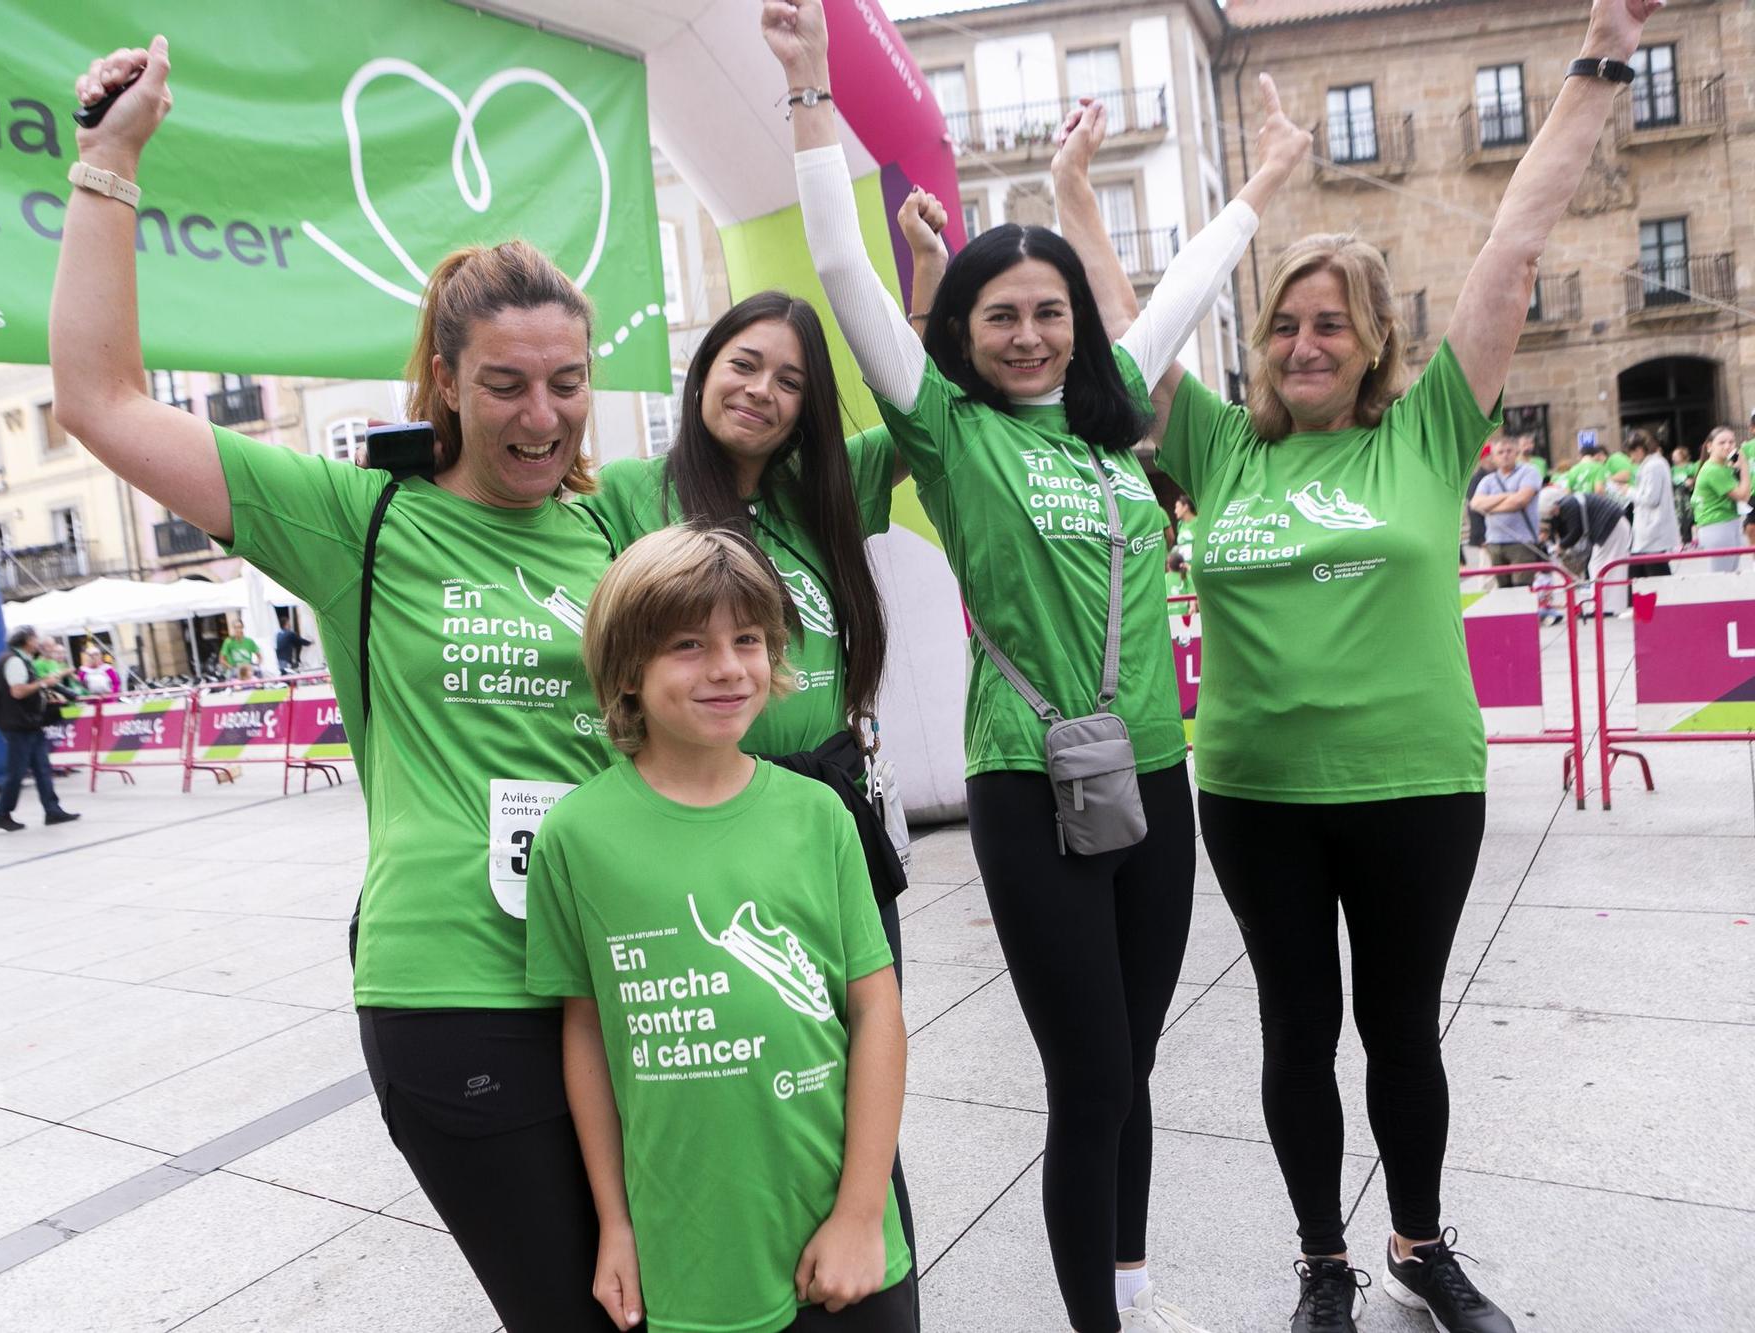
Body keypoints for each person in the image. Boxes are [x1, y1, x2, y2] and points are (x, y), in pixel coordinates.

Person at [54, 39, 619, 1330]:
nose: (543, 415)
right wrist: (110, 161)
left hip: (623, 972)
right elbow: (97, 399)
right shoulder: (354, 523)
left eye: (568, 382)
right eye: (505, 386)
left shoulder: (613, 532)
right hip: (456, 984)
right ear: (446, 388)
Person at [767, 4, 1311, 1328]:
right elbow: (840, 268)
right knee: (1090, 1073)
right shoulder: (949, 428)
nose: (1028, 335)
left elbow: (1182, 288)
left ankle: (1122, 1288)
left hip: (1157, 777)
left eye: (1048, 313)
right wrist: (808, 93)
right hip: (1029, 782)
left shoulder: (1107, 417)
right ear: (963, 329)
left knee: (1137, 1073)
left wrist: (1263, 185)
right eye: (1000, 315)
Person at [1144, 5, 1661, 1326]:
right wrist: (1088, 199)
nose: (1305, 344)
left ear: (1377, 342)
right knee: (1292, 1032)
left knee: (1401, 1027)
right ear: (1258, 345)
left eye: (1331, 324)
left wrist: (1601, 54)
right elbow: (1126, 331)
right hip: (1255, 792)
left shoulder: (1429, 429)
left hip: (1415, 782)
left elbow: (1516, 238)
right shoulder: (1217, 447)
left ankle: (1421, 1246)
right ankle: (1324, 1256)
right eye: (1283, 326)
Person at [583, 285, 924, 1281]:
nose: (762, 391)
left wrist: (924, 276)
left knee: (862, 1046)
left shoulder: (823, 490)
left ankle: (867, 1250)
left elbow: (921, 407)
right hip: (694, 815)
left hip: (826, 813)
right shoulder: (625, 494)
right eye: (742, 363)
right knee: (744, 1066)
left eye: (789, 380)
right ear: (701, 369)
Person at [527, 525, 913, 1333]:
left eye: (749, 639)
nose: (729, 667)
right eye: (688, 645)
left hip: (839, 1230)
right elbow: (588, 1033)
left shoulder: (820, 815)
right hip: (692, 1253)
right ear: (628, 667)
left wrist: (860, 1211)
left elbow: (876, 1011)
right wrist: (617, 1224)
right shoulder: (576, 836)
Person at [0, 625, 80, 831]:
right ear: (27, 641)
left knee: (42, 768)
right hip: (18, 724)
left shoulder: (20, 660)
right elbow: (18, 692)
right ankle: (1, 814)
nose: (39, 643)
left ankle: (52, 810)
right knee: (16, 772)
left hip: (28, 723)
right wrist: (43, 684)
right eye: (35, 638)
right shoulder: (14, 661)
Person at [1471, 435, 1544, 584]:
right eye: (1500, 452)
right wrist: (1507, 495)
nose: (1505, 455)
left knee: (1522, 589)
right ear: (1493, 457)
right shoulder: (1488, 480)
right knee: (1504, 592)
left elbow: (1520, 501)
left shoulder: (1529, 472)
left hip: (1521, 542)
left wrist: (1489, 508)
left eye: (1509, 451)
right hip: (1495, 542)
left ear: (1516, 452)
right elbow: (1475, 504)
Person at [1694, 426, 1753, 572]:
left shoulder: (1723, 467)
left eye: (1732, 442)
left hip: (1727, 524)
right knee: (1721, 579)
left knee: (1729, 576)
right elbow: (1743, 496)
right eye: (1722, 442)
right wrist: (1744, 466)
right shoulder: (1713, 470)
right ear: (1709, 447)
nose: (1728, 446)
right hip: (1717, 525)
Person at [1625, 430, 1676, 579]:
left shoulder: (1653, 466)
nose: (1631, 458)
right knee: (1643, 575)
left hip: (1652, 530)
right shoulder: (1656, 464)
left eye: (1631, 453)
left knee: (1652, 576)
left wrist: (1629, 491)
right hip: (1650, 532)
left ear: (1639, 450)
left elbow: (1651, 498)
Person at [1669, 444, 1698, 546]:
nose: (1673, 457)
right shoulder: (1672, 469)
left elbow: (1695, 478)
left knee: (1691, 517)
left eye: (1676, 455)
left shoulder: (1689, 467)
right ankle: (1681, 539)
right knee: (1679, 517)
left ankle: (1695, 538)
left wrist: (1691, 482)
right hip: (1677, 497)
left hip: (1688, 495)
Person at [275, 608, 315, 673]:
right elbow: (300, 641)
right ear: (286, 623)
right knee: (286, 675)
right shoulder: (289, 633)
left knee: (283, 674)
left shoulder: (278, 634)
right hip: (285, 659)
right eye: (289, 622)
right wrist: (310, 642)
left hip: (279, 659)